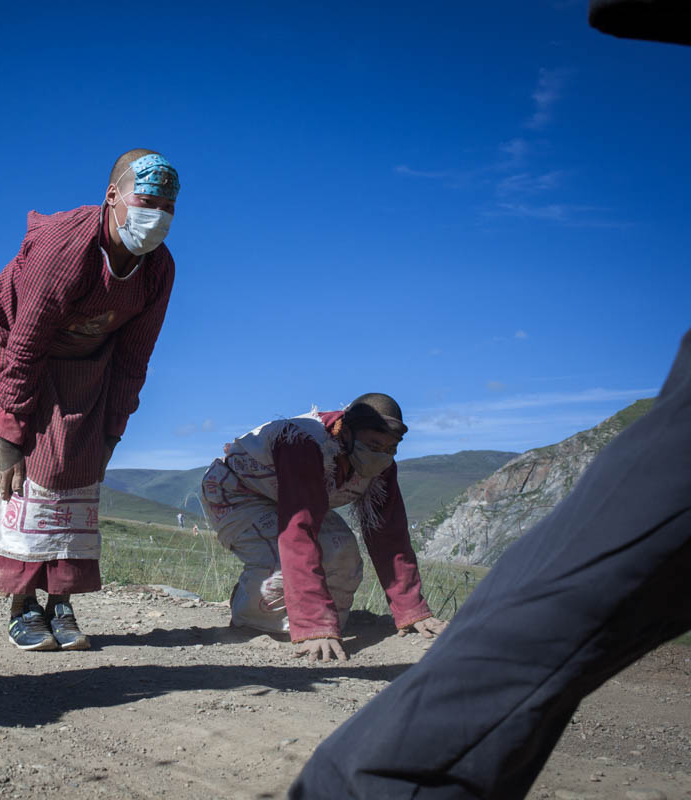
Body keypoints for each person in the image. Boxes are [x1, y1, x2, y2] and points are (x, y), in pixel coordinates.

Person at [287, 6, 691, 798]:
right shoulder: (305, 445)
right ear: (352, 432)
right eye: (380, 446)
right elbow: (298, 523)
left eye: (396, 450)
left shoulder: (383, 459)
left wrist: (408, 614)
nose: (388, 460)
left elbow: (392, 534)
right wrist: (311, 622)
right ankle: (272, 620)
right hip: (249, 498)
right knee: (311, 557)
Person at [0, 149, 180, 651]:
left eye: (168, 208)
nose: (157, 217)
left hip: (91, 361)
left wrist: (111, 431)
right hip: (20, 343)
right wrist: (11, 433)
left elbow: (133, 358)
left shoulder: (158, 269)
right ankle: (22, 603)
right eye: (146, 202)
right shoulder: (64, 247)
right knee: (22, 478)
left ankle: (61, 599)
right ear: (113, 196)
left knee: (77, 471)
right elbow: (25, 343)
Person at [201, 394, 447, 661]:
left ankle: (314, 627)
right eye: (373, 444)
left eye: (391, 448)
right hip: (239, 493)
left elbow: (390, 536)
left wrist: (412, 610)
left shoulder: (381, 465)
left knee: (343, 554)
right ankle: (251, 617)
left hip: (298, 497)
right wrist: (315, 626)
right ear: (346, 431)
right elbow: (298, 532)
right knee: (280, 571)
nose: (381, 455)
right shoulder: (304, 444)